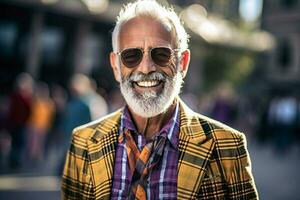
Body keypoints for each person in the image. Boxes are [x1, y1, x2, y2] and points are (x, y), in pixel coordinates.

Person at [61, 0, 258, 199]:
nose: (146, 68)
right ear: (115, 66)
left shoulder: (228, 147)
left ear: (183, 62)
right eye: (131, 55)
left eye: (162, 54)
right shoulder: (83, 141)